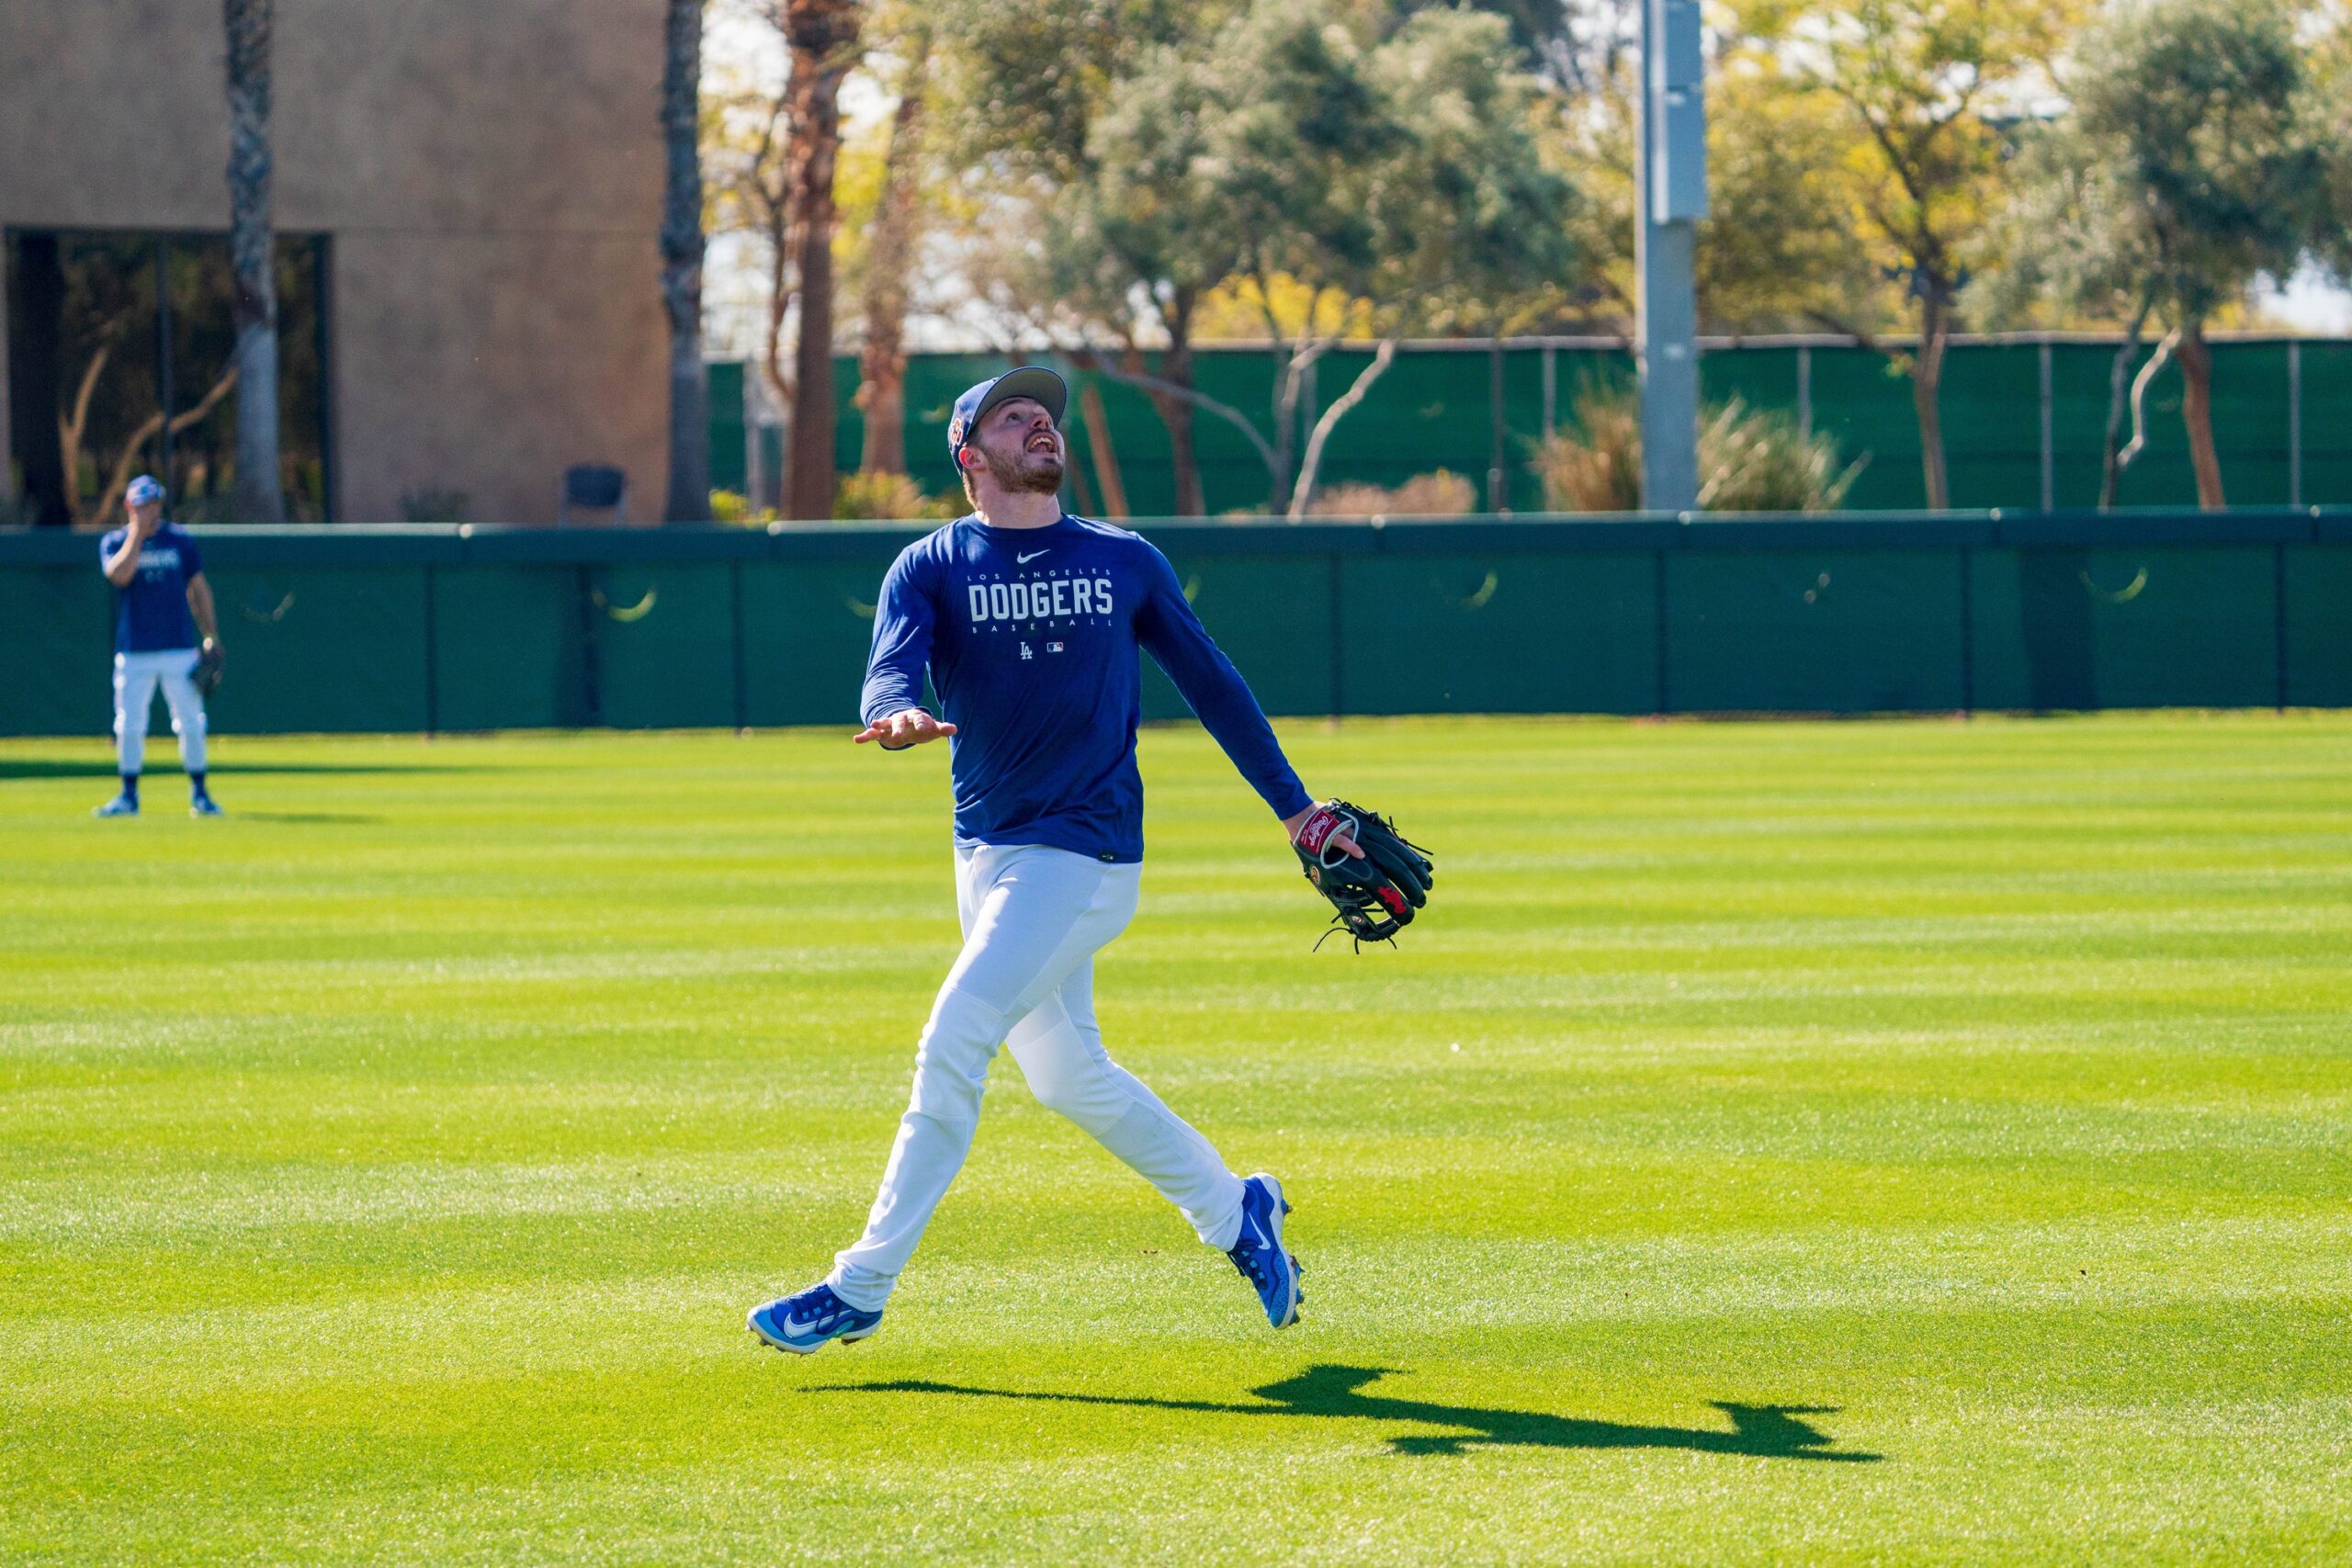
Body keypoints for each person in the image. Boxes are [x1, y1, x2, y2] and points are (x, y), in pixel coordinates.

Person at [748, 367, 1367, 1353]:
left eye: (1046, 415)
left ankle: (860, 1285)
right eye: (1013, 416)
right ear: (970, 455)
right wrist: (890, 714)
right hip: (986, 854)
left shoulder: (1123, 560)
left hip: (1083, 856)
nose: (1041, 423)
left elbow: (1213, 683)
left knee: (954, 1036)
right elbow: (891, 667)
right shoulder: (931, 566)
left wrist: (1294, 807)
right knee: (1065, 1073)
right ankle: (1235, 1208)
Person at [94, 476, 222, 818]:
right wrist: (137, 534)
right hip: (135, 650)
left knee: (191, 722)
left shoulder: (179, 540)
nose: (147, 511)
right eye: (140, 505)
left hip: (178, 648)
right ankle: (128, 796)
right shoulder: (115, 541)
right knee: (130, 725)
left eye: (152, 505)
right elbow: (118, 575)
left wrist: (210, 634)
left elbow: (198, 589)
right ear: (129, 507)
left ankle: (200, 794)